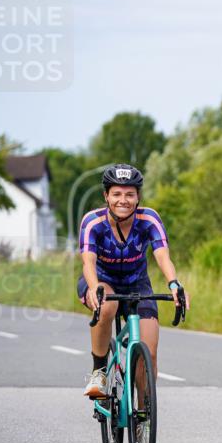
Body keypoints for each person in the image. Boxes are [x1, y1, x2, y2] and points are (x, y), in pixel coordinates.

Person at [78, 163, 189, 399]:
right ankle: (99, 372)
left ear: (138, 197)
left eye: (130, 194)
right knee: (107, 305)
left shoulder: (149, 219)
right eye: (117, 194)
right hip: (101, 279)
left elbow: (163, 255)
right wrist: (94, 286)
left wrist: (174, 283)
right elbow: (88, 262)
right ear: (106, 196)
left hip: (137, 283)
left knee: (148, 352)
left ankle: (143, 413)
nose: (123, 200)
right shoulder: (93, 222)